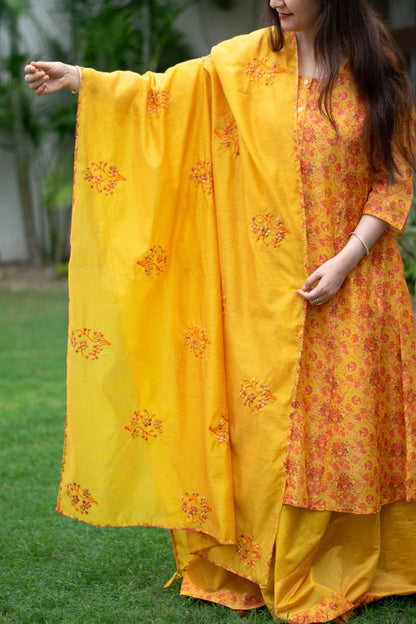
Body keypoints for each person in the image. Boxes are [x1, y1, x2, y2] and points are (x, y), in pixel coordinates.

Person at [25, 0, 416, 622]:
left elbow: (392, 180)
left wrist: (345, 261)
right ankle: (265, 561)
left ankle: (348, 560)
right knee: (269, 433)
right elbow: (163, 98)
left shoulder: (373, 66)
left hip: (357, 288)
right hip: (263, 294)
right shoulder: (243, 63)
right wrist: (83, 80)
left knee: (342, 434)